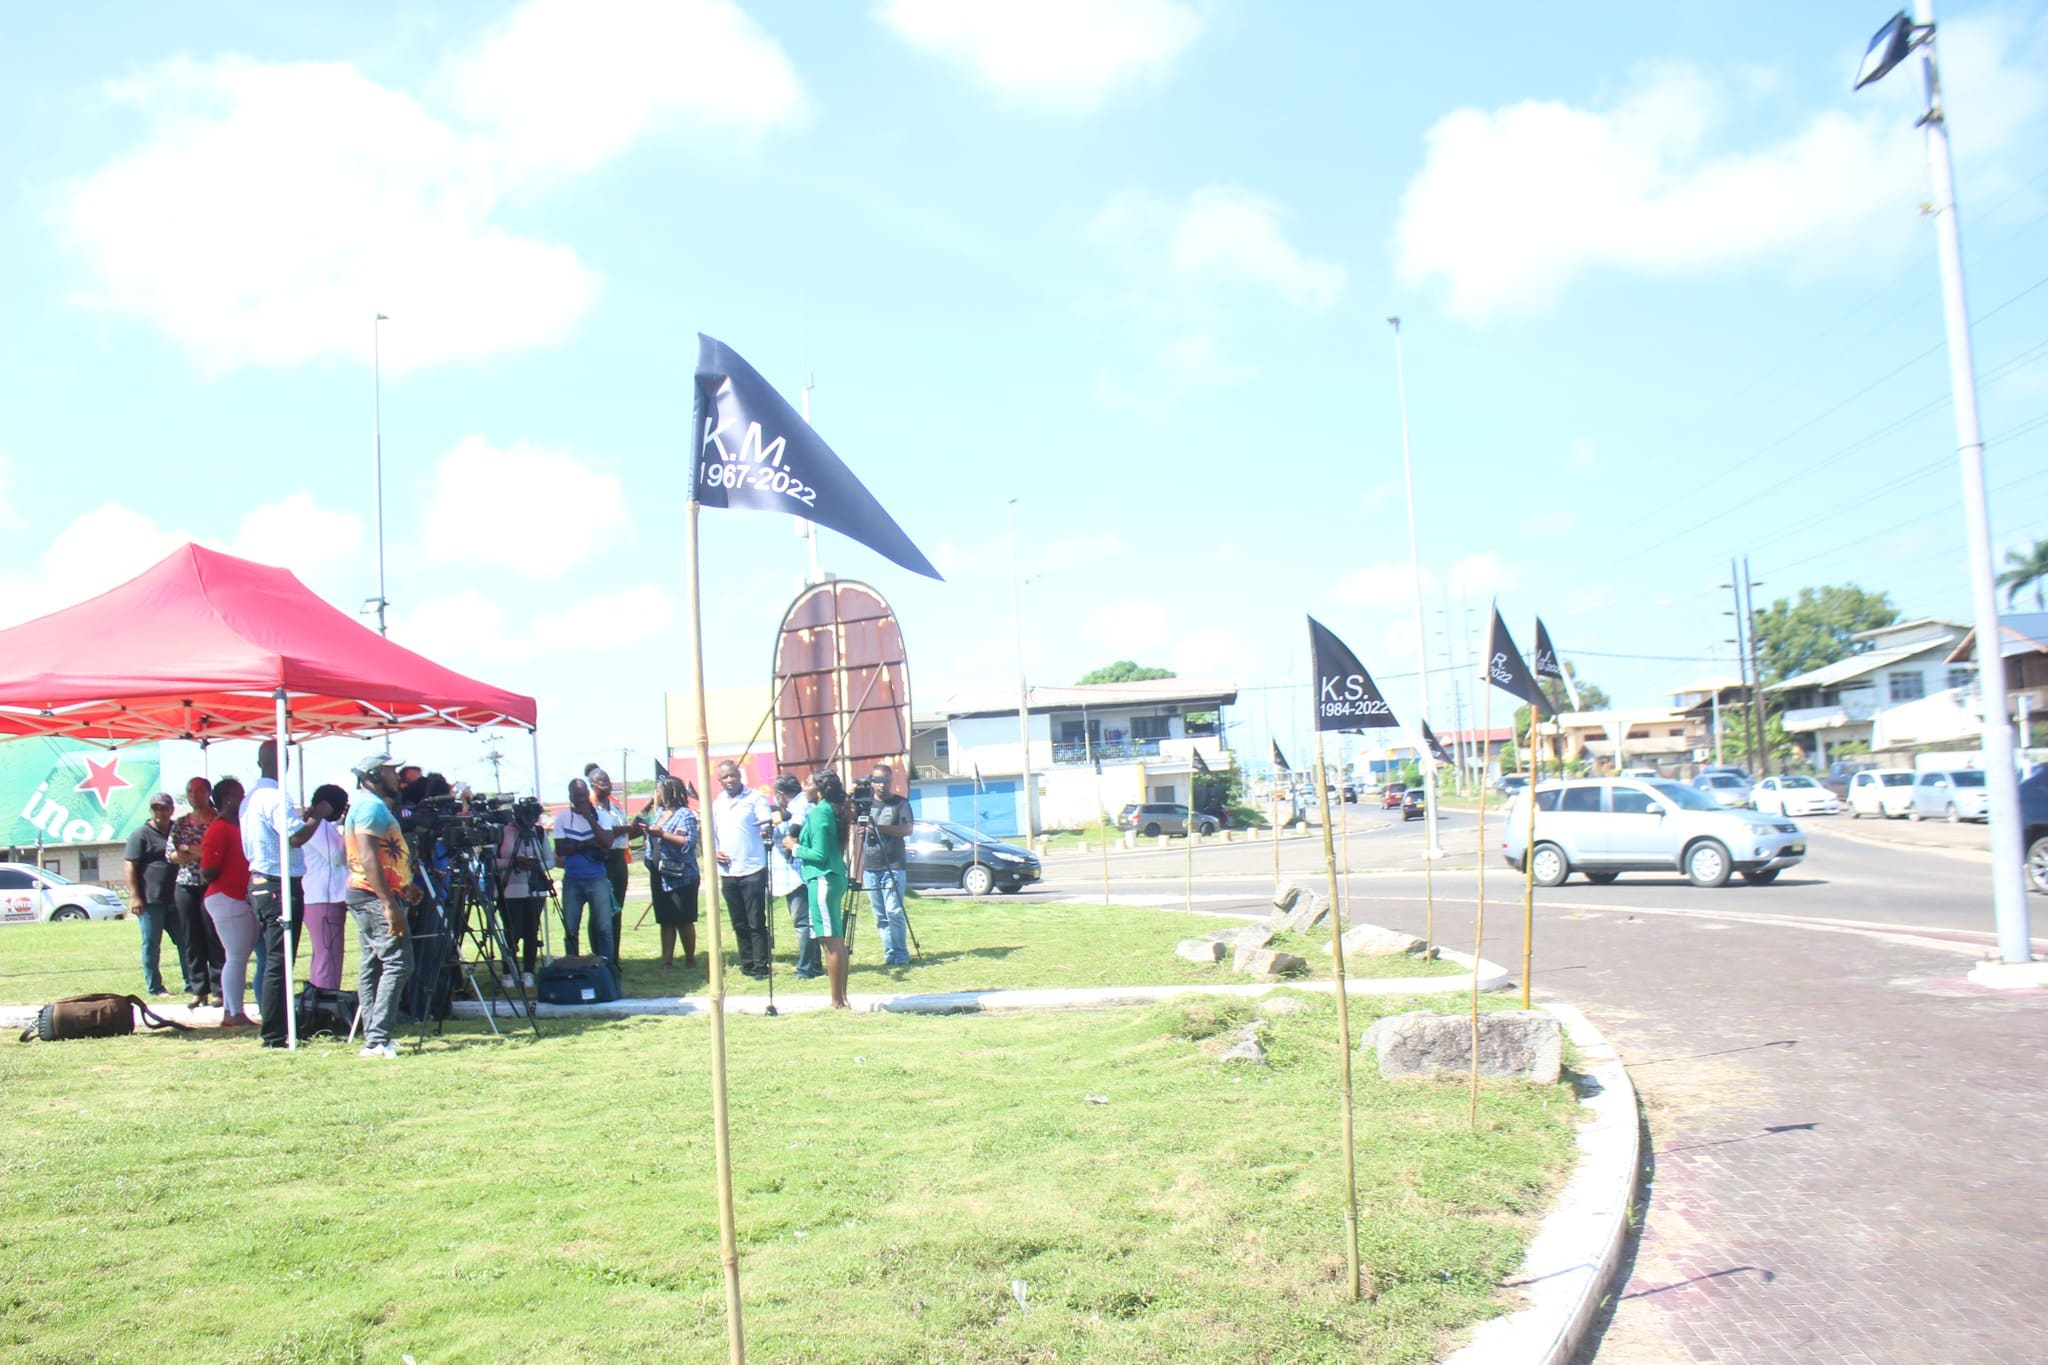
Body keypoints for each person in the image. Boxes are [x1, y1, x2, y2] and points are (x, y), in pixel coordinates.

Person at [242, 739, 335, 1049]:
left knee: (273, 960)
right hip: (278, 884)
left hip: (261, 881)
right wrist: (318, 814)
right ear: (283, 763)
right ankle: (275, 1034)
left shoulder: (250, 797)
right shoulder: (274, 796)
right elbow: (296, 837)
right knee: (279, 962)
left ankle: (277, 1029)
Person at [344, 755, 418, 1059]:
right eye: (390, 771)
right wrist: (389, 902)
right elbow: (368, 857)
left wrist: (403, 886)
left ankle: (373, 1036)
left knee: (373, 964)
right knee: (399, 962)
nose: (396, 776)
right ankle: (377, 1039)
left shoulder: (367, 804)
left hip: (370, 893)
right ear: (373, 774)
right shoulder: (371, 806)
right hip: (373, 896)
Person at [787, 769, 851, 1009]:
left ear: (821, 789)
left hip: (823, 879)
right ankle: (841, 998)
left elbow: (819, 854)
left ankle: (837, 1001)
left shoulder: (819, 814)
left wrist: (794, 847)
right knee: (835, 941)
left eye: (808, 784)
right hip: (831, 877)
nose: (804, 788)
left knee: (831, 941)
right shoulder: (830, 811)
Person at [198, 778, 257, 1028]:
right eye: (239, 794)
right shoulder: (219, 828)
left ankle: (233, 1010)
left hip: (236, 896)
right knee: (236, 956)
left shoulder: (236, 826)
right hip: (225, 897)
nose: (244, 798)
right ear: (228, 799)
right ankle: (233, 1011)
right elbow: (208, 869)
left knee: (239, 955)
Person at [711, 760, 775, 978]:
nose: (729, 780)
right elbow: (711, 834)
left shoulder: (754, 798)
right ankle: (746, 963)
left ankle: (761, 965)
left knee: (755, 920)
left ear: (739, 776)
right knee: (739, 921)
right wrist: (714, 851)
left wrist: (766, 829)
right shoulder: (717, 803)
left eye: (733, 776)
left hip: (752, 867)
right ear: (719, 780)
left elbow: (766, 820)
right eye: (725, 777)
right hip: (728, 870)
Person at [553, 777, 617, 968]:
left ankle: (607, 967)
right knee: (571, 929)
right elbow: (560, 849)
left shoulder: (601, 815)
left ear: (587, 795)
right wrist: (584, 844)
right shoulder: (562, 818)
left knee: (604, 927)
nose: (580, 799)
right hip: (572, 879)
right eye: (576, 796)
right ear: (570, 796)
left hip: (597, 878)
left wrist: (589, 817)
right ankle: (572, 967)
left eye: (583, 795)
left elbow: (607, 842)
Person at [640, 777, 700, 970]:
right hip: (659, 874)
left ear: (669, 792)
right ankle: (666, 961)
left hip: (681, 876)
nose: (655, 794)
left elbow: (688, 843)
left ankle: (690, 959)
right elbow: (641, 818)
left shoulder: (685, 815)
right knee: (665, 920)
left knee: (683, 919)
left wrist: (662, 834)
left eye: (658, 790)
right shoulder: (658, 814)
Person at [860, 763, 915, 967]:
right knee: (880, 915)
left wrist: (879, 829)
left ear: (891, 781)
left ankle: (901, 954)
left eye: (885, 781)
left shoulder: (899, 803)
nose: (881, 785)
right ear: (871, 782)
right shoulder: (865, 805)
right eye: (877, 781)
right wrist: (864, 832)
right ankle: (889, 953)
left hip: (893, 864)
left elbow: (907, 829)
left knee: (894, 911)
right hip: (870, 866)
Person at [124, 793, 179, 996]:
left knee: (185, 941)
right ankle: (155, 987)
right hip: (150, 900)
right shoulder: (140, 834)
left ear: (171, 809)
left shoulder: (177, 830)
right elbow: (130, 864)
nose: (160, 812)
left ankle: (192, 983)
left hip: (176, 897)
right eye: (155, 808)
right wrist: (134, 896)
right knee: (151, 944)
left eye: (163, 808)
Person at [767, 774, 821, 980]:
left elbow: (792, 834)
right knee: (808, 922)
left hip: (798, 873)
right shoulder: (796, 807)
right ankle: (814, 965)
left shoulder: (799, 807)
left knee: (803, 922)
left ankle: (806, 969)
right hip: (797, 873)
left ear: (780, 795)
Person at [494, 800, 551, 987]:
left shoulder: (539, 832)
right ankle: (509, 971)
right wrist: (513, 862)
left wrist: (535, 865)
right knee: (512, 931)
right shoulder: (503, 831)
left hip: (534, 889)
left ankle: (528, 971)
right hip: (509, 889)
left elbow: (550, 860)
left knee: (531, 931)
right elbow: (492, 861)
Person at [301, 784, 352, 993]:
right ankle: (325, 1006)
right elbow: (338, 855)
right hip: (324, 899)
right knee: (328, 958)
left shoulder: (318, 825)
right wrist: (351, 831)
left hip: (323, 898)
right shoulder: (318, 825)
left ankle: (322, 1001)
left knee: (325, 956)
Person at [586, 766, 635, 963]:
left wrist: (635, 829)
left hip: (618, 860)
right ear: (593, 785)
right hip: (601, 860)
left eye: (609, 782)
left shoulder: (614, 805)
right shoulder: (589, 807)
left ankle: (613, 955)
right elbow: (604, 833)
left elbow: (622, 831)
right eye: (603, 783)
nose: (608, 786)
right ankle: (599, 954)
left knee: (617, 910)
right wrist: (623, 829)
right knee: (600, 911)